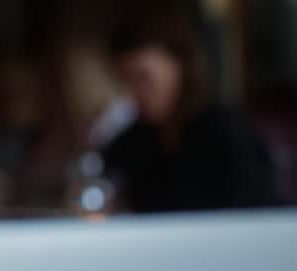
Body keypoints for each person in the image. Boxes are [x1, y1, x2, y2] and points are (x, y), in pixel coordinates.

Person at [103, 14, 283, 213]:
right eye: (126, 80)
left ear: (181, 67)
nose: (134, 92)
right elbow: (92, 180)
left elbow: (257, 214)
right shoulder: (133, 142)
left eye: (144, 78)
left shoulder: (226, 133)